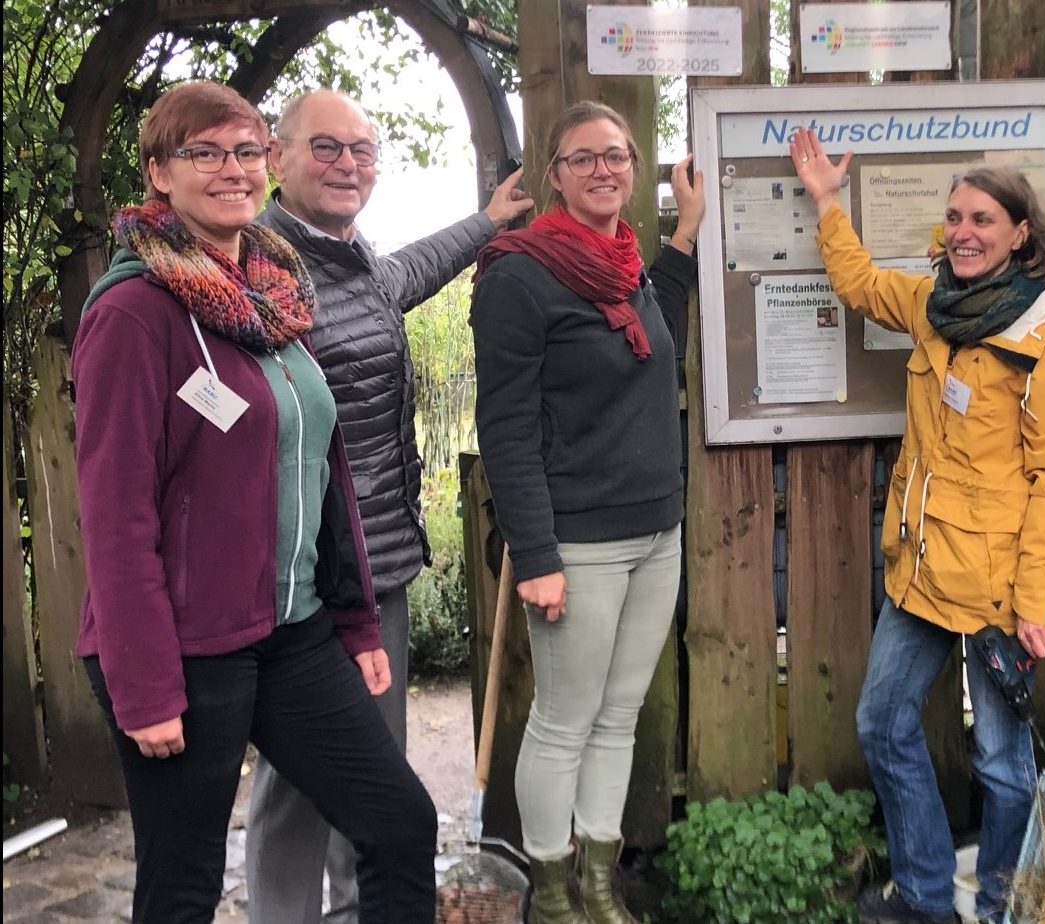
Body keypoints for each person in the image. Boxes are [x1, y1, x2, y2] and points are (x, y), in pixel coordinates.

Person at [71, 80, 437, 924]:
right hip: (187, 647)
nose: (230, 169)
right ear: (160, 172)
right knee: (183, 887)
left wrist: (351, 620)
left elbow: (326, 465)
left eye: (246, 151)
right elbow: (115, 513)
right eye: (204, 153)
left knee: (397, 822)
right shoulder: (133, 314)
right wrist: (146, 683)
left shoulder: (275, 295)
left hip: (293, 631)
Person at [790, 130, 1045, 924]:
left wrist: (1036, 601)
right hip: (922, 571)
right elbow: (859, 285)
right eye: (956, 216)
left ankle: (1001, 909)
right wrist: (827, 198)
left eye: (984, 219)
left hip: (1000, 593)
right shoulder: (936, 308)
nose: (963, 231)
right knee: (883, 723)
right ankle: (927, 897)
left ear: (1021, 232)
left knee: (1000, 765)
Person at [245, 89, 535, 923]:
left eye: (363, 151)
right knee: (297, 780)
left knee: (370, 765)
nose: (348, 165)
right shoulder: (259, 269)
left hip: (381, 569)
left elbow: (399, 278)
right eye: (326, 148)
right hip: (299, 575)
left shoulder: (351, 257)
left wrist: (486, 221)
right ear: (280, 157)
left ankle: (354, 911)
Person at [469, 100, 704, 924]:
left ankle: (600, 884)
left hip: (656, 533)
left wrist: (688, 236)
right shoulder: (519, 276)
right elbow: (501, 425)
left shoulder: (626, 266)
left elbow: (652, 333)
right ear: (554, 175)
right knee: (565, 722)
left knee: (620, 714)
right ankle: (553, 890)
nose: (604, 170)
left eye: (617, 156)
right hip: (578, 542)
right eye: (583, 158)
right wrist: (534, 554)